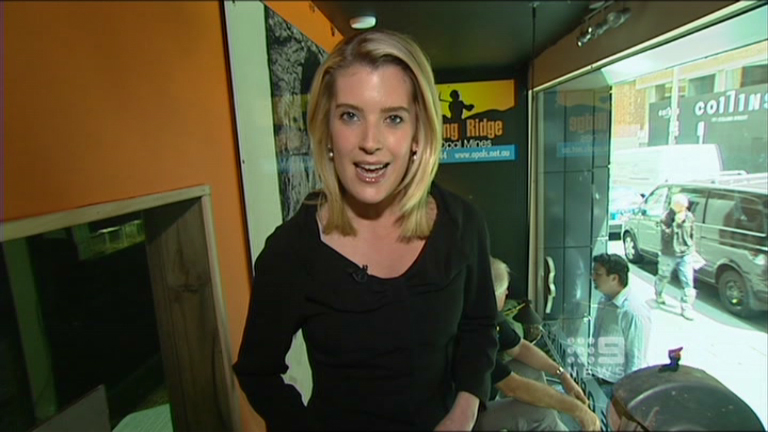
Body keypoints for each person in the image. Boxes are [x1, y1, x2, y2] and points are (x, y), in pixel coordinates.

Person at [232, 29, 498, 431]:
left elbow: (480, 326)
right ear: (327, 129)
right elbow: (258, 371)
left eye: (393, 118)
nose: (370, 142)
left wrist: (463, 412)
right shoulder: (291, 252)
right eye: (350, 116)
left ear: (418, 133)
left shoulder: (462, 225)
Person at [474, 257, 601, 432]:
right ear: (492, 295)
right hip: (465, 416)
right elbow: (513, 387)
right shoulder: (474, 334)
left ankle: (553, 425)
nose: (507, 293)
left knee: (529, 369)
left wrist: (562, 375)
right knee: (538, 412)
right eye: (505, 290)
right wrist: (577, 409)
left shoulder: (486, 314)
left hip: (481, 394)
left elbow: (519, 348)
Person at [590, 253, 652, 401]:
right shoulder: (604, 300)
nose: (593, 277)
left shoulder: (633, 311)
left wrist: (625, 396)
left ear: (614, 278)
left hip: (614, 386)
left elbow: (636, 360)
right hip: (595, 377)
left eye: (598, 274)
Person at [654, 193, 697, 320]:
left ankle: (686, 307)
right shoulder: (666, 218)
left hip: (685, 254)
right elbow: (666, 236)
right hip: (669, 254)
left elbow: (692, 233)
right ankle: (658, 293)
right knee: (663, 276)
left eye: (685, 206)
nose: (685, 209)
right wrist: (676, 224)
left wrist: (692, 249)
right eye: (682, 207)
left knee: (688, 282)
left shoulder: (689, 216)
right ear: (675, 206)